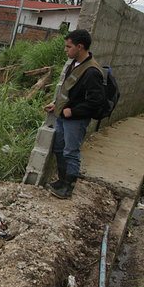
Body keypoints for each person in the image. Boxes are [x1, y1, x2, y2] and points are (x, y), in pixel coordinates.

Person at [43, 29, 105, 199]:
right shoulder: (74, 63)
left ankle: (68, 187)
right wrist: (56, 105)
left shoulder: (92, 72)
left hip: (75, 120)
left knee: (71, 151)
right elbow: (68, 91)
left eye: (68, 46)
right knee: (59, 148)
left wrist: (73, 111)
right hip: (63, 116)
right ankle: (62, 181)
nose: (66, 50)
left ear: (80, 47)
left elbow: (96, 102)